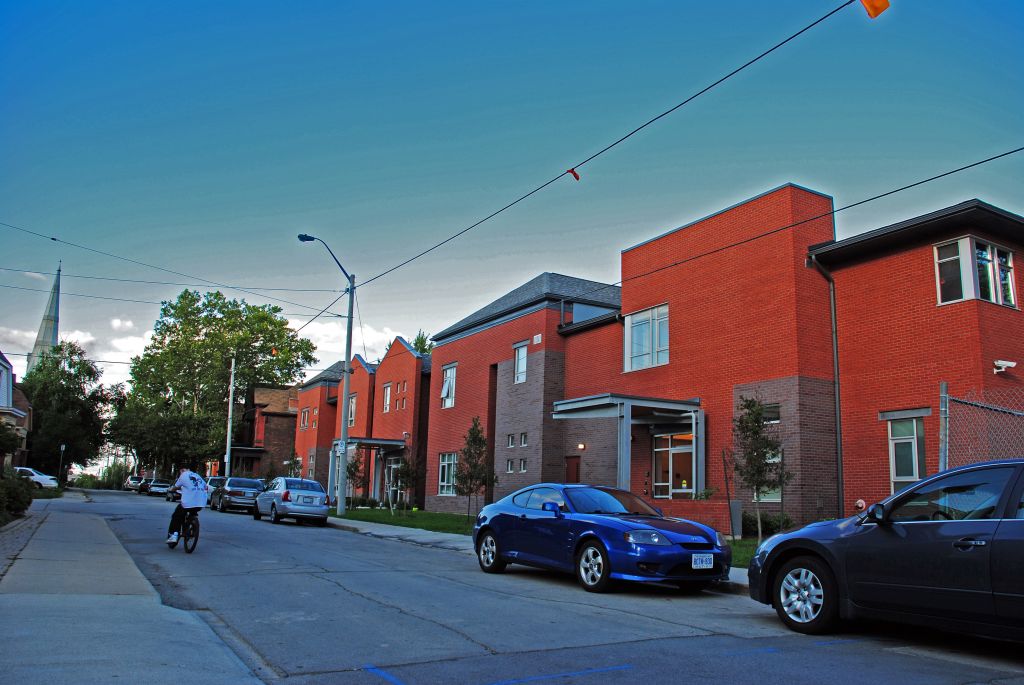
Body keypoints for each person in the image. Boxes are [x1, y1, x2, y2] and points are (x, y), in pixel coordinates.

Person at [166, 465, 208, 544]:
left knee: (177, 516)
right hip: (201, 503)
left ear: (183, 470)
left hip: (188, 503)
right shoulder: (197, 475)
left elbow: (175, 487)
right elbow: (205, 486)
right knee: (192, 511)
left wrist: (170, 490)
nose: (181, 472)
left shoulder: (183, 475)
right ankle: (191, 525)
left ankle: (174, 535)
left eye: (181, 470)